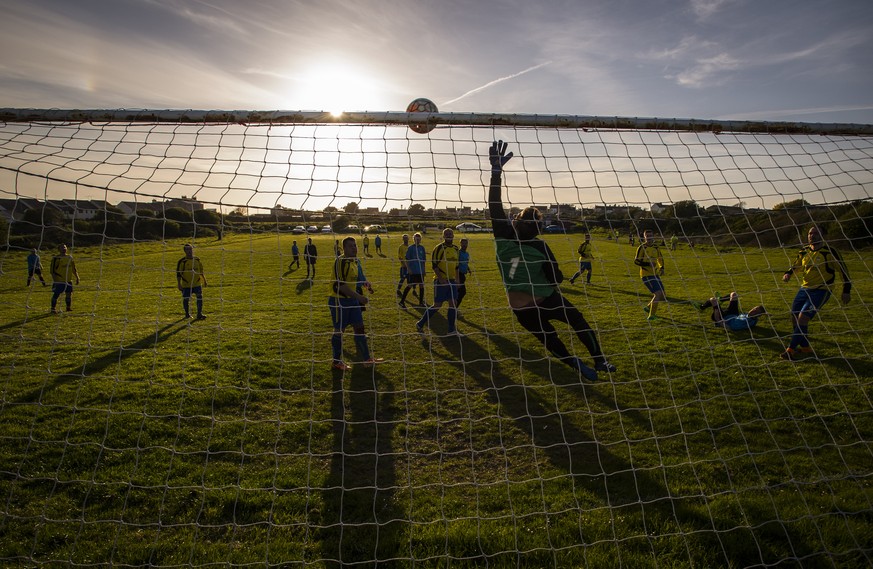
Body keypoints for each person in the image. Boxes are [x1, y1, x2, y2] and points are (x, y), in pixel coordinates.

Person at [488, 141, 616, 380]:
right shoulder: (533, 243)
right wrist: (496, 172)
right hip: (546, 299)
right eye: (535, 226)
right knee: (575, 324)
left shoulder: (505, 235)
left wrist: (496, 171)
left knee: (555, 337)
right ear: (528, 225)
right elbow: (556, 277)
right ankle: (598, 361)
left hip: (527, 306)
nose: (535, 230)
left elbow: (495, 205)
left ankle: (585, 363)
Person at [780, 225, 851, 360]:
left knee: (803, 318)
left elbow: (843, 271)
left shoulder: (830, 252)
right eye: (810, 233)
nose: (812, 236)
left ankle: (790, 350)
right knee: (794, 318)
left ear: (823, 236)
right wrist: (788, 274)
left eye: (815, 233)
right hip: (804, 289)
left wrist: (846, 290)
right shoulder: (804, 251)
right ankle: (805, 348)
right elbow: (796, 265)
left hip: (821, 290)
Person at [329, 236, 383, 371]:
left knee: (359, 328)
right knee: (339, 331)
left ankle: (367, 359)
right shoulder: (340, 262)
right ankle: (336, 362)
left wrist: (366, 284)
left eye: (355, 245)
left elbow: (360, 277)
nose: (354, 248)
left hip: (352, 300)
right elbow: (340, 286)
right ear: (344, 248)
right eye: (351, 246)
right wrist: (359, 297)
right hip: (339, 301)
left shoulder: (355, 261)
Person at [416, 228, 461, 336]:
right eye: (447, 234)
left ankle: (451, 330)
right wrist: (441, 279)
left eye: (450, 233)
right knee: (437, 305)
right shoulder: (439, 248)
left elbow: (457, 266)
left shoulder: (455, 249)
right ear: (443, 236)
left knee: (453, 303)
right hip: (440, 281)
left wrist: (457, 279)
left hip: (452, 281)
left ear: (453, 235)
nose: (449, 235)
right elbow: (434, 265)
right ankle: (420, 323)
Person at [634, 229, 666, 320]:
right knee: (658, 294)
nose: (649, 238)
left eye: (650, 236)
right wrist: (648, 264)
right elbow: (636, 261)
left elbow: (660, 259)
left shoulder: (656, 247)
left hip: (655, 274)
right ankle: (651, 315)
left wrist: (661, 268)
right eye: (647, 236)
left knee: (663, 295)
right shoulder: (641, 247)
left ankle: (648, 307)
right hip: (646, 275)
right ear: (644, 237)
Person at [697, 292, 766, 331]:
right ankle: (721, 300)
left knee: (713, 300)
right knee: (734, 295)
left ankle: (702, 307)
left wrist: (718, 320)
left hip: (722, 318)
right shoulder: (754, 319)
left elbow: (730, 327)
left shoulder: (743, 322)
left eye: (756, 311)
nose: (753, 310)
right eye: (755, 308)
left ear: (758, 315)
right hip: (734, 314)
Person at [176, 243, 207, 320]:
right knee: (186, 299)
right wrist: (179, 284)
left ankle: (199, 314)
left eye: (190, 249)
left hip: (197, 283)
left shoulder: (197, 260)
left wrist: (204, 280)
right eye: (187, 250)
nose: (189, 251)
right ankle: (187, 314)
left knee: (199, 298)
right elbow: (178, 274)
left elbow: (201, 271)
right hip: (186, 284)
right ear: (185, 251)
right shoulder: (182, 261)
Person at [49, 243, 80, 313]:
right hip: (59, 280)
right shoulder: (56, 259)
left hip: (68, 280)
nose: (64, 249)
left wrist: (77, 277)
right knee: (56, 294)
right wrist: (55, 280)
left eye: (65, 247)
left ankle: (68, 308)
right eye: (62, 248)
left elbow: (74, 268)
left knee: (69, 294)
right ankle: (53, 309)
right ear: (59, 249)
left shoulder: (69, 257)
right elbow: (52, 271)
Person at [399, 232, 426, 308]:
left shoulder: (422, 248)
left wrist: (424, 270)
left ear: (420, 239)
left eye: (419, 239)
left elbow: (424, 260)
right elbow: (407, 259)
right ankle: (401, 301)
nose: (417, 240)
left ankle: (421, 303)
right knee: (410, 285)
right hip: (413, 271)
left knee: (421, 286)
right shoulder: (410, 248)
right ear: (413, 239)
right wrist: (409, 269)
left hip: (420, 271)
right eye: (416, 239)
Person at [456, 237, 471, 311]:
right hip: (459, 275)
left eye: (466, 243)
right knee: (462, 292)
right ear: (460, 244)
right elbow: (456, 265)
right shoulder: (458, 253)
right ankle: (455, 308)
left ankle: (454, 307)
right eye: (463, 243)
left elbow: (466, 262)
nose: (465, 245)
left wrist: (468, 269)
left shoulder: (467, 254)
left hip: (463, 275)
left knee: (459, 292)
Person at [395, 234, 410, 298]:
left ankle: (413, 290)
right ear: (403, 239)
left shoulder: (410, 247)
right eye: (404, 238)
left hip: (409, 266)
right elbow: (399, 256)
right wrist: (403, 263)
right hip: (404, 266)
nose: (405, 239)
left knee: (410, 279)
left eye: (406, 238)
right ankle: (398, 290)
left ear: (408, 239)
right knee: (403, 278)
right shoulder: (401, 247)